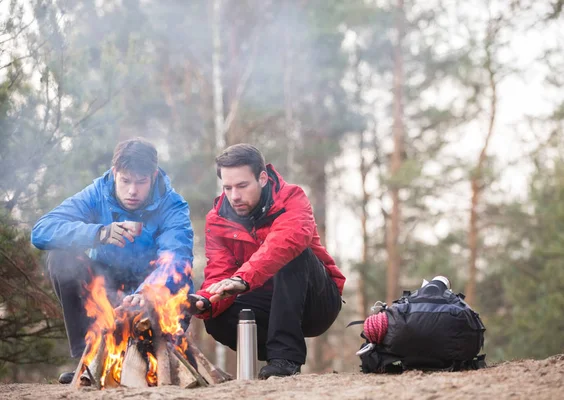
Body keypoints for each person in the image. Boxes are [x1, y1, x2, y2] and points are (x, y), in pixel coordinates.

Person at [31, 137, 194, 384]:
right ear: (115, 172)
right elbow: (41, 231)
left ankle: (152, 361)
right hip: (106, 285)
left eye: (141, 182)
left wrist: (150, 290)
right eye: (126, 181)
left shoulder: (172, 205)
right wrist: (97, 233)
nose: (132, 191)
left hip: (152, 288)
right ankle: (87, 359)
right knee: (60, 258)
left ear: (153, 175)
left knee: (180, 284)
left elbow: (177, 258)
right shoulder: (97, 192)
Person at [193, 143, 345, 379]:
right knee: (217, 317)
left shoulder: (292, 198)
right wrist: (205, 300)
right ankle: (276, 355)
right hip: (269, 303)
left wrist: (243, 278)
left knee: (293, 253)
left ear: (262, 178)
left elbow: (284, 243)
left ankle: (286, 358)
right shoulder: (217, 219)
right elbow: (219, 270)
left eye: (242, 186)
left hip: (317, 301)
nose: (234, 196)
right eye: (228, 187)